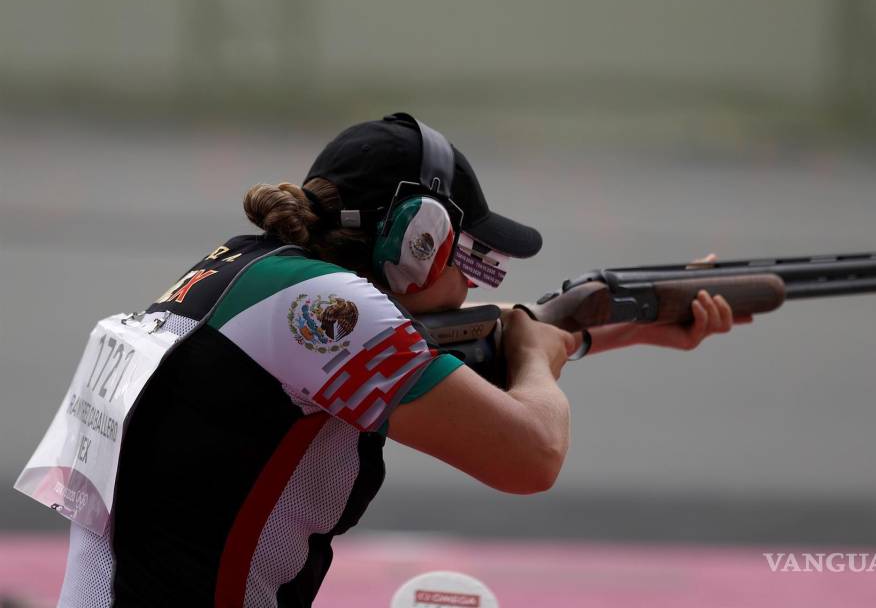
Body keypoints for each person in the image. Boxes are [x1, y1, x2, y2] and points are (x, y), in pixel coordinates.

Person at [55, 113, 749, 607]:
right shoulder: (327, 310)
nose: (477, 281)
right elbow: (531, 455)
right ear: (419, 238)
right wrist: (537, 356)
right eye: (470, 254)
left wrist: (628, 326)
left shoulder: (246, 274)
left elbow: (483, 349)